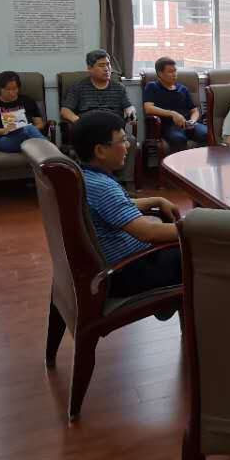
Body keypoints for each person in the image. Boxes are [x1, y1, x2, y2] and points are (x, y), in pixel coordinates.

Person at [70, 110, 181, 305]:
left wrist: (155, 200)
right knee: (201, 253)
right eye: (122, 141)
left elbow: (115, 206)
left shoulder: (86, 176)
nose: (128, 145)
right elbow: (148, 233)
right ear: (100, 151)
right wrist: (198, 227)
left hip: (123, 264)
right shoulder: (103, 187)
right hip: (125, 273)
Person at [143, 57, 207, 154]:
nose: (174, 74)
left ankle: (201, 162)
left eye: (175, 71)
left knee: (206, 133)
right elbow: (148, 108)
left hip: (188, 124)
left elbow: (194, 110)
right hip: (169, 126)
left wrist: (193, 121)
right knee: (179, 139)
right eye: (170, 72)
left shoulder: (183, 89)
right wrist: (173, 114)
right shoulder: (152, 87)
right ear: (160, 73)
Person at [61, 49, 134, 126]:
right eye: (101, 65)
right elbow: (65, 111)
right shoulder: (78, 88)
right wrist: (80, 122)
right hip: (88, 127)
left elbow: (128, 107)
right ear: (90, 68)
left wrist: (131, 113)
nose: (106, 69)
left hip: (113, 127)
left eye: (108, 64)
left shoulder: (119, 88)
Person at [0, 71, 49, 152]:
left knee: (29, 129)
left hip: (28, 136)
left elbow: (40, 124)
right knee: (30, 132)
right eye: (7, 89)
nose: (11, 93)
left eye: (14, 89)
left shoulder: (27, 101)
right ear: (0, 88)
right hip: (5, 140)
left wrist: (25, 130)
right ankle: (51, 150)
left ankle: (48, 152)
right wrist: (7, 130)